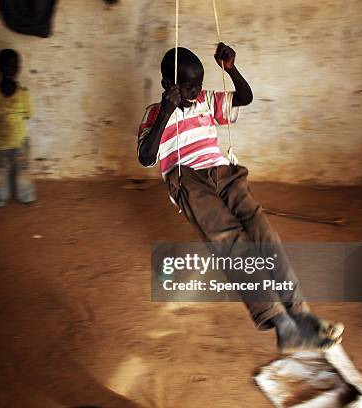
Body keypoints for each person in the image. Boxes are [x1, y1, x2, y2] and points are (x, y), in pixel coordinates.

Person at [137, 43, 343, 352]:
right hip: (187, 179)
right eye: (189, 86)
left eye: (199, 84)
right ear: (169, 86)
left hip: (224, 173)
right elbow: (145, 157)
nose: (196, 91)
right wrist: (166, 111)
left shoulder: (206, 100)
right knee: (231, 241)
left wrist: (231, 69)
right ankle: (281, 323)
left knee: (264, 232)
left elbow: (244, 98)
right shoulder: (155, 113)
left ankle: (300, 313)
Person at [0, 48, 36, 207]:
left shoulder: (24, 94)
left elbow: (28, 113)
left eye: (14, 67)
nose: (10, 70)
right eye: (6, 66)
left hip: (20, 142)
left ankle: (26, 195)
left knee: (23, 171)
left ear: (19, 69)